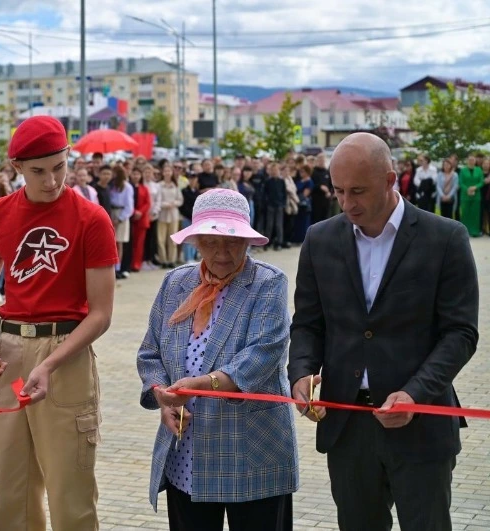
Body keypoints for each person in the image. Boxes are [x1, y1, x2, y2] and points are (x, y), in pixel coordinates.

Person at [288, 133, 479, 531]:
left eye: (358, 191)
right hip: (347, 425)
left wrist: (416, 392)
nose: (346, 203)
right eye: (338, 190)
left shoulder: (445, 238)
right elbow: (308, 324)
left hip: (421, 424)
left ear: (391, 180)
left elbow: (460, 333)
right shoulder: (319, 240)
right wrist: (301, 374)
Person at [0, 115, 117, 531]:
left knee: (69, 489)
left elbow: (101, 313)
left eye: (59, 166)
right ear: (16, 166)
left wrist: (50, 363)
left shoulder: (92, 219)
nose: (51, 180)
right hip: (10, 353)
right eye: (38, 171)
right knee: (13, 490)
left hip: (64, 352)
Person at [137, 188, 298, 531]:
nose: (222, 252)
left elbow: (263, 353)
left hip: (251, 449)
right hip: (187, 453)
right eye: (210, 242)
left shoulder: (268, 283)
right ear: (194, 239)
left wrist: (201, 385)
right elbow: (150, 352)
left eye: (232, 241)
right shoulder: (175, 282)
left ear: (247, 242)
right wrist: (162, 396)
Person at [109, 166, 134, 279]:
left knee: (119, 244)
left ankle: (118, 268)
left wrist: (120, 218)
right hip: (112, 212)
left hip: (121, 215)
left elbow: (129, 206)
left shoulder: (127, 187)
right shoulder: (112, 185)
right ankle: (112, 267)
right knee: (111, 242)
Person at [156, 164, 183, 268]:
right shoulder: (159, 185)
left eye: (169, 171)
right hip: (162, 213)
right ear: (163, 173)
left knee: (172, 239)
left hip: (173, 214)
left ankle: (172, 259)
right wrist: (165, 204)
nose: (167, 173)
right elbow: (157, 200)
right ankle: (163, 260)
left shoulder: (175, 185)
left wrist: (174, 203)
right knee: (161, 239)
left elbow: (180, 200)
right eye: (165, 171)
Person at [129, 167, 152, 273]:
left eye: (138, 174)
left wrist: (140, 212)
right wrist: (133, 211)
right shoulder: (128, 187)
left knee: (139, 243)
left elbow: (148, 203)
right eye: (134, 174)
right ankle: (129, 263)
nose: (136, 176)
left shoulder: (144, 188)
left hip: (141, 219)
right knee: (130, 243)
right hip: (130, 217)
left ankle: (137, 264)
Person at [459, 155, 483, 237]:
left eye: (473, 159)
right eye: (469, 159)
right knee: (465, 214)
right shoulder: (463, 170)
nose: (471, 161)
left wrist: (475, 187)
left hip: (476, 196)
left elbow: (481, 181)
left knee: (475, 214)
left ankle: (475, 231)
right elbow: (461, 182)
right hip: (465, 195)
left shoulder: (479, 170)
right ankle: (465, 231)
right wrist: (467, 189)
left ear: (475, 161)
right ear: (467, 160)